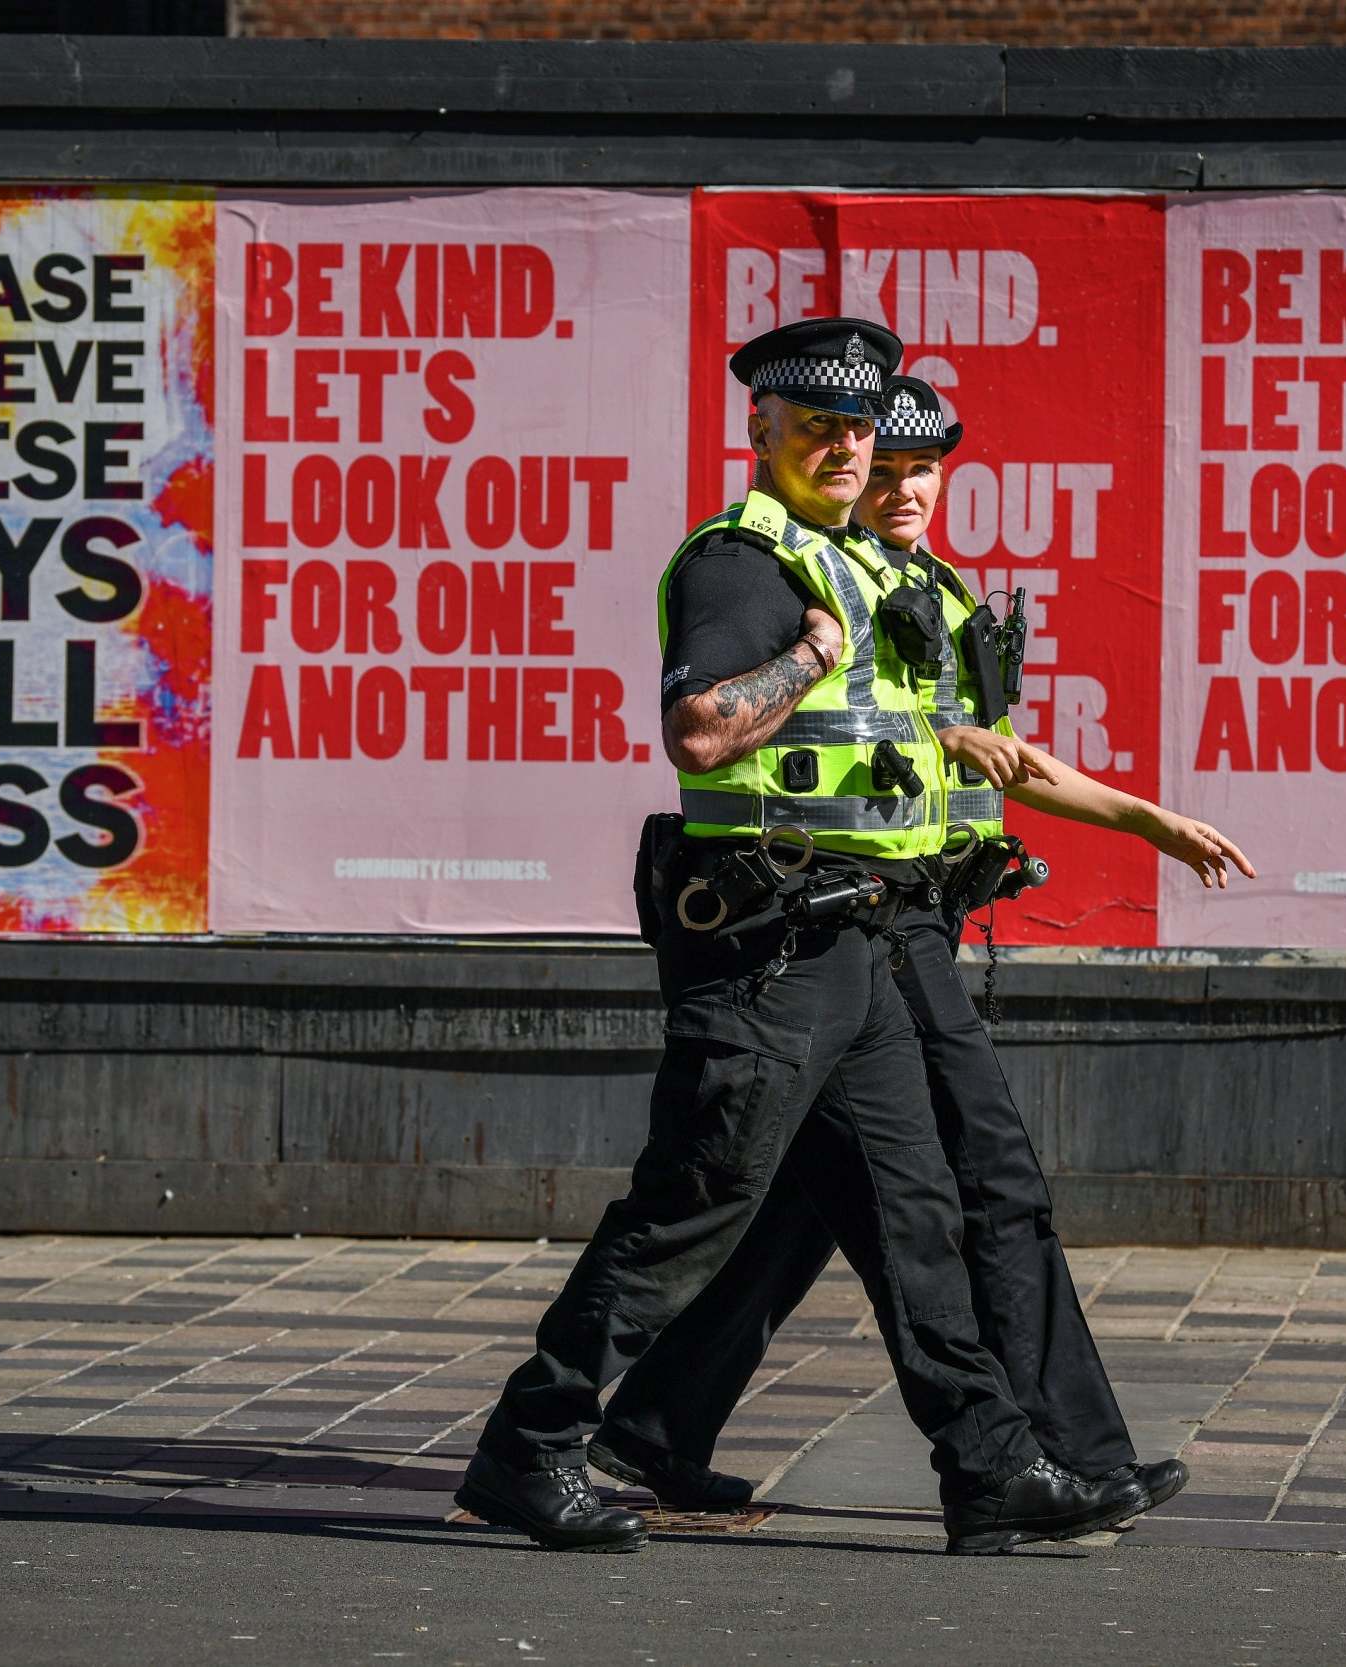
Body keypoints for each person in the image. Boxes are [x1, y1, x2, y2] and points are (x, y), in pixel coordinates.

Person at [456, 324, 1149, 1555]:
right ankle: (531, 1446)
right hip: (769, 938)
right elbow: (700, 733)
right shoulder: (746, 561)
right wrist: (807, 654)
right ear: (761, 430)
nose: (842, 447)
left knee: (913, 1207)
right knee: (698, 1199)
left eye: (857, 426)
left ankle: (988, 1467)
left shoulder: (860, 559)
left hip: (865, 937)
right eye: (815, 424)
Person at [590, 374, 1255, 1519]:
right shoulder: (790, 568)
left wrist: (1145, 818)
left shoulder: (928, 586)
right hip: (853, 922)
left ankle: (649, 1430)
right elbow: (763, 720)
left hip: (899, 919)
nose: (896, 486)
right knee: (978, 1184)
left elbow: (996, 752)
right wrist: (934, 731)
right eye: (876, 466)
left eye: (916, 468)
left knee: (808, 1202)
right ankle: (1050, 1452)